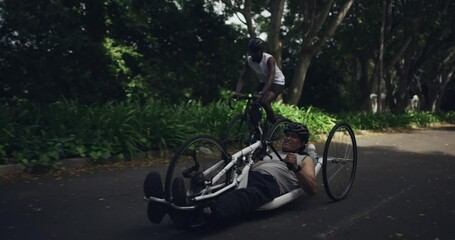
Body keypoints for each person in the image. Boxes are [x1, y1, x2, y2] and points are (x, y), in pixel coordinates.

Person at [143, 122, 318, 229]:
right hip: (249, 175)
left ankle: (198, 214)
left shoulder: (304, 158)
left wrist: (295, 167)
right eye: (287, 135)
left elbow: (312, 188)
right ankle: (165, 203)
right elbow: (249, 165)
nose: (287, 138)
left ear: (302, 143)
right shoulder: (271, 153)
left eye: (293, 137)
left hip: (269, 184)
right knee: (218, 187)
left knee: (242, 197)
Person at [235, 37, 285, 124]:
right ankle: (257, 128)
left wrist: (261, 93)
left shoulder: (269, 59)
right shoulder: (249, 61)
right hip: (263, 82)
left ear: (262, 51)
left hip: (277, 82)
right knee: (253, 103)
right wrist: (237, 92)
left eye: (256, 51)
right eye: (252, 51)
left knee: (264, 101)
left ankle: (274, 123)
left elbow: (271, 78)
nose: (254, 54)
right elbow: (243, 77)